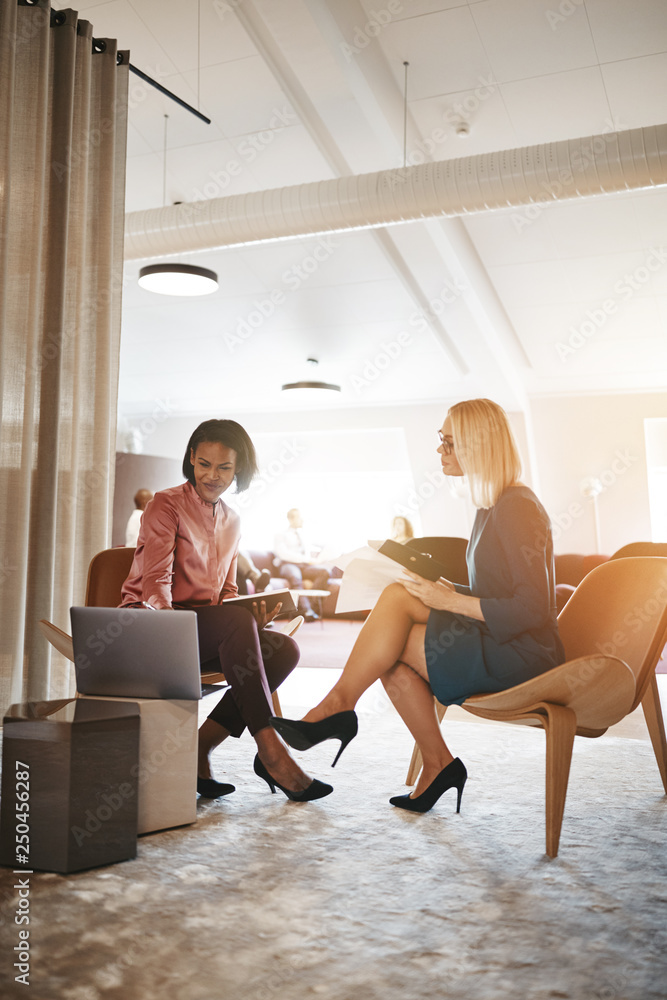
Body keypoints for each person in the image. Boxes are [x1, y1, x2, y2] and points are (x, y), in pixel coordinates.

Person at [272, 399, 565, 814]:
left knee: (390, 634)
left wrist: (450, 600)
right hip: (500, 638)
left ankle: (340, 708)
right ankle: (434, 763)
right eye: (440, 441)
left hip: (526, 655)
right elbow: (497, 587)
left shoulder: (517, 506)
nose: (441, 451)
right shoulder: (491, 505)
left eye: (449, 443)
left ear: (478, 445)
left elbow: (534, 608)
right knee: (394, 624)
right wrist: (448, 589)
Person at [119, 419, 332, 803]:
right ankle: (272, 751)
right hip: (152, 623)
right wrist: (178, 627)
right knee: (236, 622)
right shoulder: (165, 504)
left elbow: (227, 593)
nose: (212, 476)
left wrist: (253, 616)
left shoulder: (233, 520)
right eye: (203, 464)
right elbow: (154, 583)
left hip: (207, 626)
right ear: (191, 459)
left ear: (239, 470)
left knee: (284, 649)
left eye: (224, 468)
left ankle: (199, 747)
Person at [273, 508, 330, 622]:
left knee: (324, 572)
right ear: (290, 519)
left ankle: (311, 607)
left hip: (303, 566)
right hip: (288, 564)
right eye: (299, 517)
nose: (302, 520)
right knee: (295, 577)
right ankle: (306, 611)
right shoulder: (281, 535)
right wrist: (306, 559)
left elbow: (313, 547)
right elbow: (284, 554)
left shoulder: (304, 535)